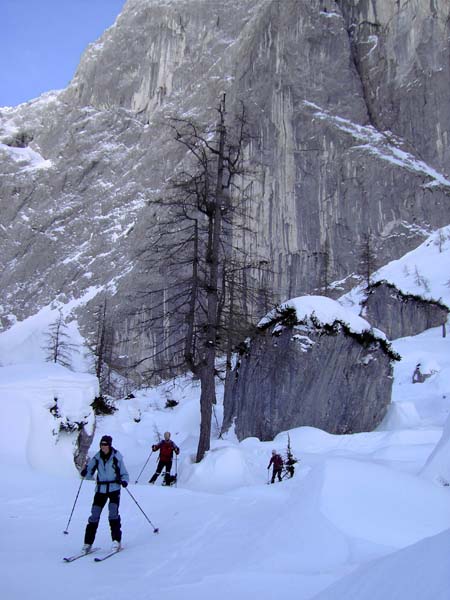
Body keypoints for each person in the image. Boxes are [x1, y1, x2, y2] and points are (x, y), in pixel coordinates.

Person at [80, 435, 129, 553]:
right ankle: (88, 543)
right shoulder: (97, 458)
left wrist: (124, 481)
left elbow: (124, 473)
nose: (104, 447)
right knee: (94, 515)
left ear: (110, 445)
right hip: (100, 489)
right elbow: (89, 471)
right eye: (102, 444)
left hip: (114, 488)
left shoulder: (117, 456)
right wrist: (85, 471)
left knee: (113, 514)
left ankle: (116, 541)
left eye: (106, 444)